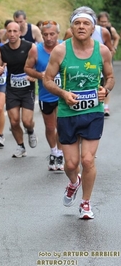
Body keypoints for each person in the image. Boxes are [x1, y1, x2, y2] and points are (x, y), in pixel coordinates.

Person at [43, 6, 114, 219]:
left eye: (86, 23)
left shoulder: (102, 51)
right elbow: (47, 80)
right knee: (71, 164)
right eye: (77, 23)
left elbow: (110, 77)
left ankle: (85, 203)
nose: (81, 27)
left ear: (93, 27)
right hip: (67, 113)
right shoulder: (60, 51)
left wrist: (105, 89)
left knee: (88, 160)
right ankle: (74, 182)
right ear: (71, 27)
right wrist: (63, 94)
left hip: (93, 112)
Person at [24, 20, 64, 171]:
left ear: (57, 34)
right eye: (45, 34)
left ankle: (60, 153)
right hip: (46, 95)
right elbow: (27, 68)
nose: (49, 38)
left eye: (52, 34)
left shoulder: (64, 47)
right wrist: (39, 75)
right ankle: (53, 151)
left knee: (62, 126)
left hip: (63, 94)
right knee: (50, 126)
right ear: (41, 35)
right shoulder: (35, 50)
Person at [0, 22, 38, 158]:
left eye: (15, 31)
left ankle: (30, 131)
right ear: (6, 33)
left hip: (27, 89)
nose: (12, 34)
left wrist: (34, 74)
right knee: (14, 121)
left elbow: (38, 63)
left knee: (26, 121)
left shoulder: (29, 46)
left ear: (20, 33)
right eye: (9, 31)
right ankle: (20, 146)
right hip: (12, 89)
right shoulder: (3, 49)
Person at [97, 11, 119, 116]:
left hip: (107, 56)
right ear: (97, 21)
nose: (103, 24)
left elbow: (117, 37)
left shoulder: (110, 29)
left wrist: (114, 47)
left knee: (107, 80)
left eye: (105, 22)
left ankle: (106, 106)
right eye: (101, 22)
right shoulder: (95, 30)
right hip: (96, 57)